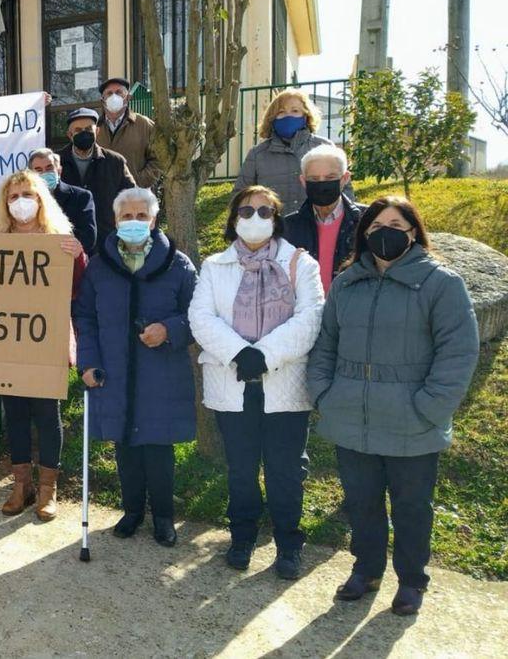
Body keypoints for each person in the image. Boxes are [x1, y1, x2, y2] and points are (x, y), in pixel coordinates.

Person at [308, 196, 478, 616]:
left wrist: (429, 407)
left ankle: (411, 581)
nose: (386, 232)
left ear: (413, 232)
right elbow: (325, 343)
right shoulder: (347, 282)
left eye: (396, 224)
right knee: (362, 501)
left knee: (411, 507)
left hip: (412, 423)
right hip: (352, 418)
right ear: (365, 234)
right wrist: (324, 394)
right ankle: (366, 569)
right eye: (376, 224)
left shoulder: (442, 283)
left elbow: (457, 353)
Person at [188, 185, 324, 579]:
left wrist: (262, 355)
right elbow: (201, 316)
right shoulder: (215, 266)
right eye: (246, 211)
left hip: (284, 383)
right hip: (233, 382)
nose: (255, 218)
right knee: (241, 469)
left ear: (277, 219)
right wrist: (239, 353)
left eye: (265, 211)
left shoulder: (302, 264)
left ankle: (288, 544)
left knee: (285, 470)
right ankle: (242, 536)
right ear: (233, 220)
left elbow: (310, 318)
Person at [73, 187, 196, 547]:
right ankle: (132, 511)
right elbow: (84, 317)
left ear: (154, 219)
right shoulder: (99, 266)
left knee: (158, 448)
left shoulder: (178, 263)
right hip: (114, 370)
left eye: (142, 216)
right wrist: (88, 362)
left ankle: (163, 517)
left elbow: (198, 314)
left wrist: (169, 330)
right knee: (124, 444)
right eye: (127, 216)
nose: (134, 222)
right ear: (115, 220)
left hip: (162, 373)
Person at [0, 170, 87, 522]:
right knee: (14, 414)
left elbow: (77, 290)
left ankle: (49, 491)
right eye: (13, 197)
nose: (20, 203)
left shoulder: (59, 238)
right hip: (8, 341)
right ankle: (21, 486)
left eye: (26, 194)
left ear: (41, 198)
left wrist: (77, 256)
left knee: (47, 415)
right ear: (5, 204)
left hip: (47, 340)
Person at [234, 88, 354, 212]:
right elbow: (241, 195)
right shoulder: (258, 154)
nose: (288, 116)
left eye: (295, 111)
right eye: (281, 112)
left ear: (306, 116)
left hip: (317, 226)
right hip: (273, 227)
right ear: (272, 117)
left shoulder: (324, 147)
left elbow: (345, 190)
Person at [283, 145, 366, 293]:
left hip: (349, 310)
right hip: (304, 311)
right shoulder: (288, 227)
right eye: (314, 179)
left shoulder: (367, 220)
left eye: (330, 178)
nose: (322, 184)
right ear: (303, 181)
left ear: (345, 178)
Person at [59, 107, 136, 245]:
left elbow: (131, 197)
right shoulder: (56, 162)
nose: (84, 133)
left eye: (89, 129)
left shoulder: (115, 162)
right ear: (70, 135)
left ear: (97, 131)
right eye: (77, 130)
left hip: (107, 241)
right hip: (65, 242)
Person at [96, 78, 161, 189]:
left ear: (127, 98)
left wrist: (138, 182)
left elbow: (158, 159)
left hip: (137, 197)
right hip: (103, 198)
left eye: (119, 92)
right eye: (109, 93)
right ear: (103, 100)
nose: (114, 97)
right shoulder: (94, 127)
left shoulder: (144, 124)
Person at [28, 147, 96, 253]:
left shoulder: (81, 197)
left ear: (59, 170)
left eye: (49, 168)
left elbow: (88, 238)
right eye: (38, 170)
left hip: (68, 261)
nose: (44, 173)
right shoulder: (26, 201)